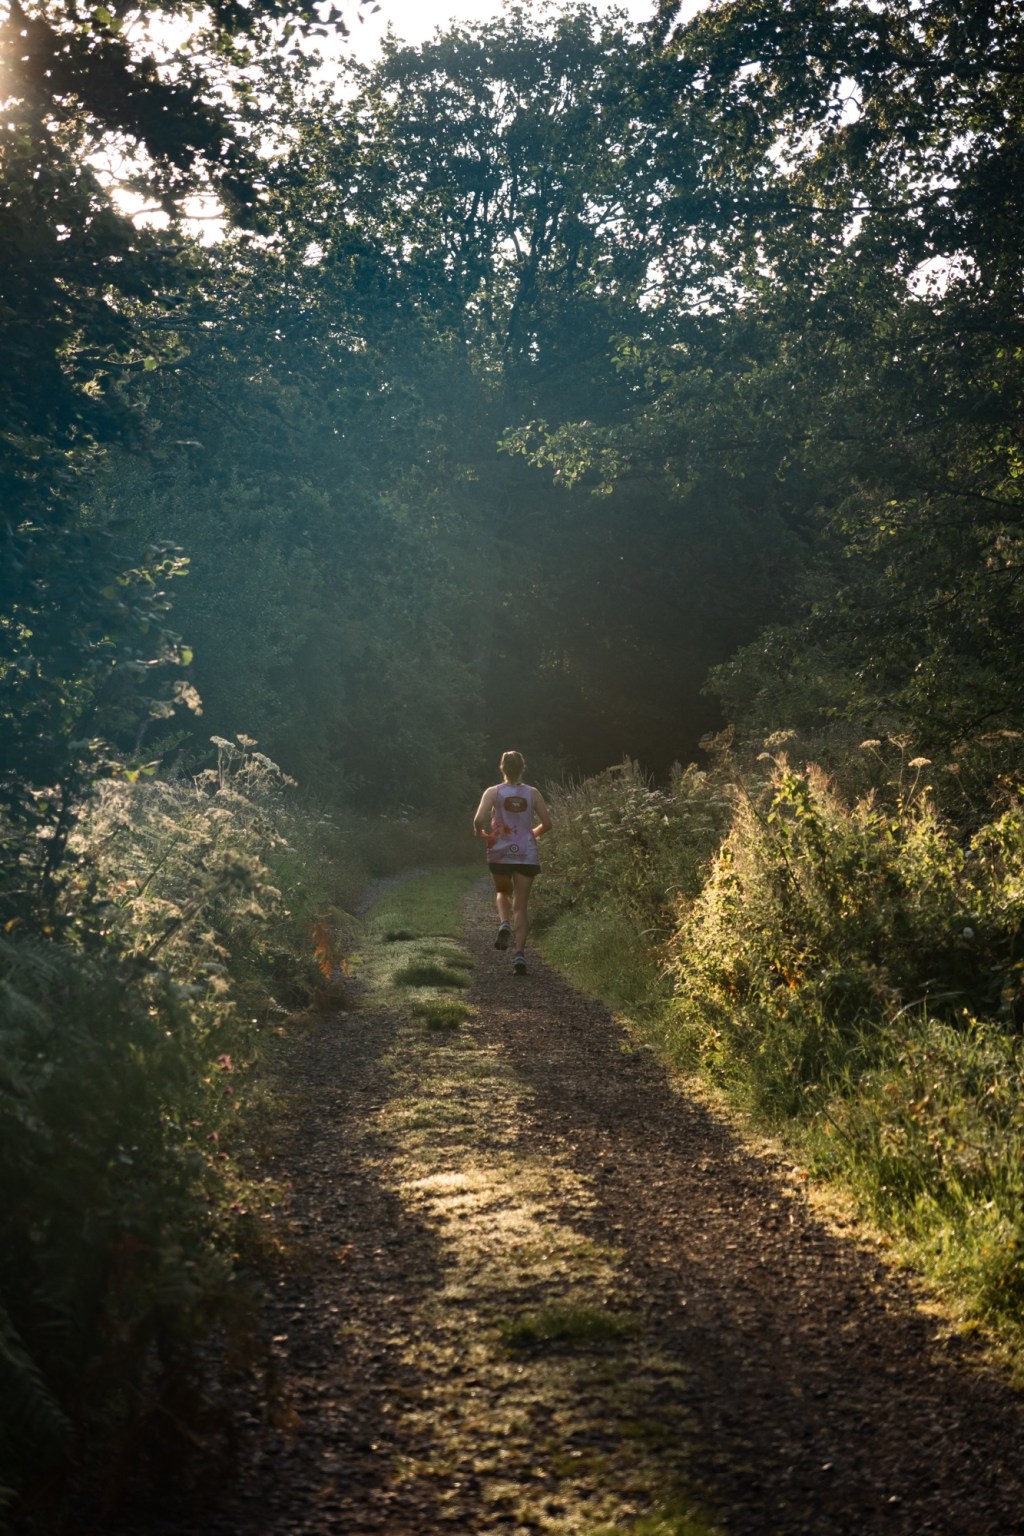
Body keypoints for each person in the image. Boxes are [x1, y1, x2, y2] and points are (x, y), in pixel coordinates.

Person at [473, 750, 552, 975]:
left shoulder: (493, 792)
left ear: (502, 768)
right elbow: (548, 823)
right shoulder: (533, 793)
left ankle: (504, 923)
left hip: (500, 851)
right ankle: (519, 955)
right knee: (521, 906)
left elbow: (479, 819)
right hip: (526, 854)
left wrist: (480, 831)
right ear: (522, 768)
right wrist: (530, 835)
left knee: (502, 893)